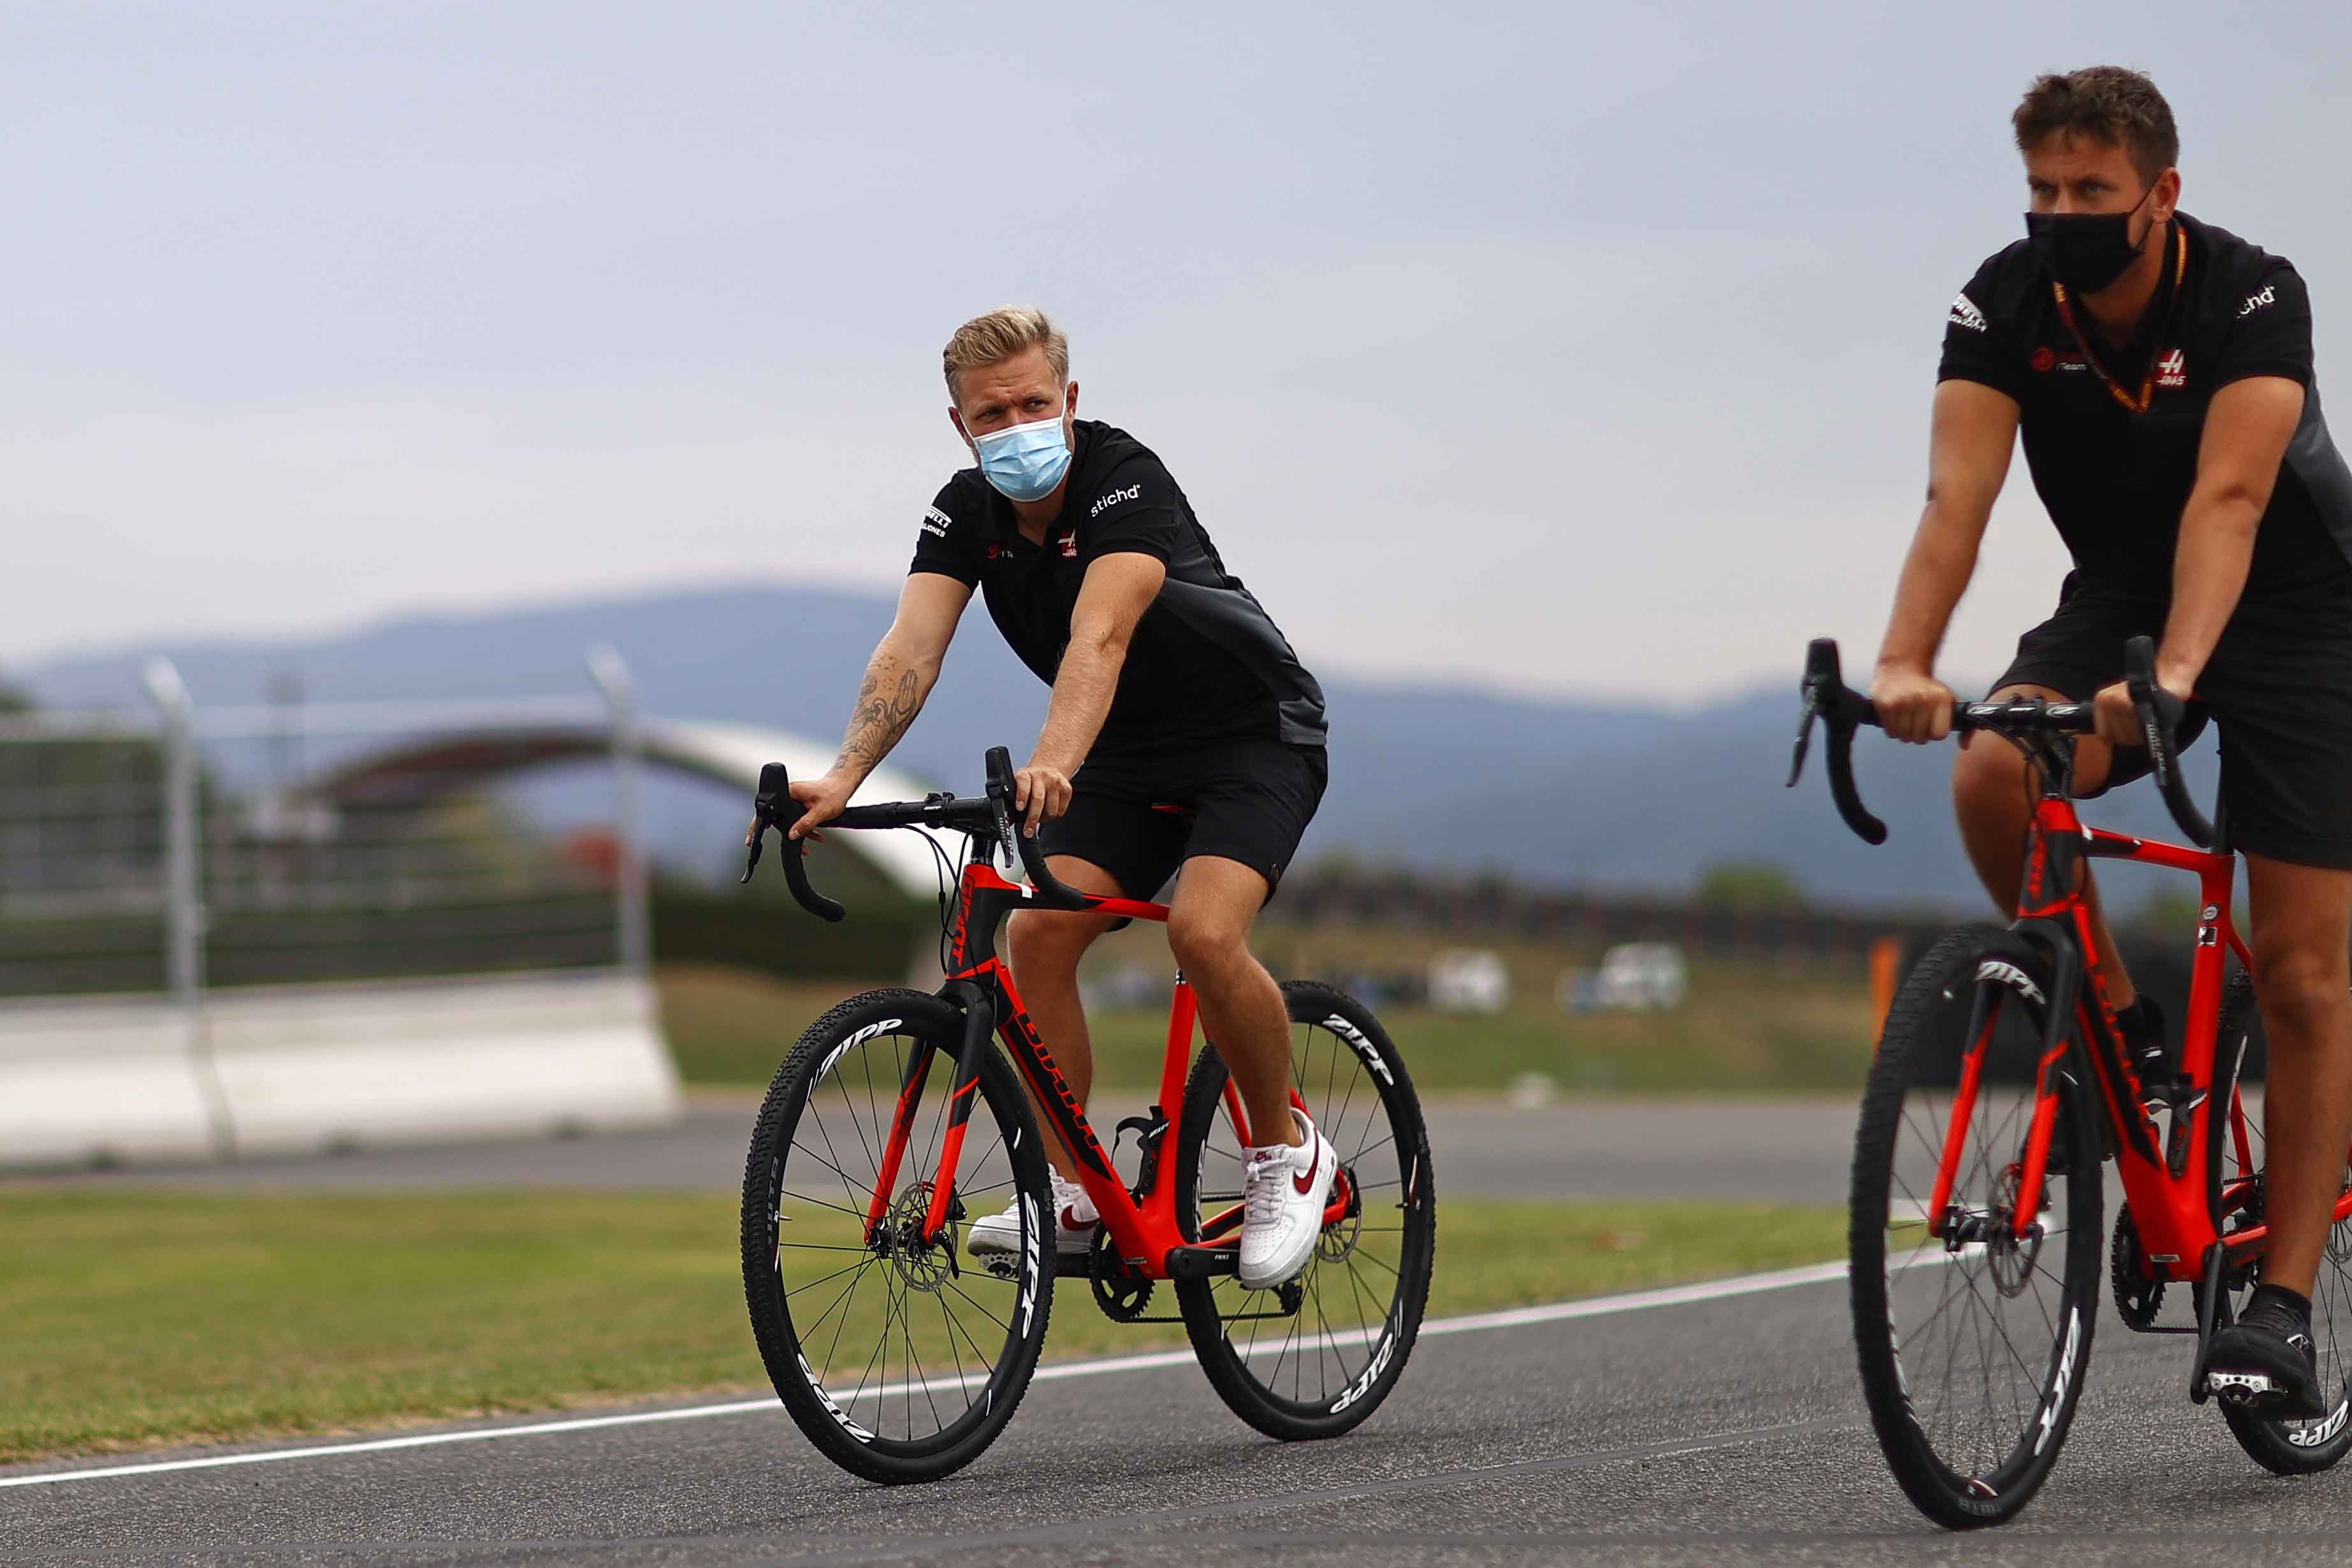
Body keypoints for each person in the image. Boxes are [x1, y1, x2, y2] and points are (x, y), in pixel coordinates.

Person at [1872, 66, 2352, 1416]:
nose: (2063, 214)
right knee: (1994, 768)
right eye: (2043, 190)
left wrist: (2183, 680)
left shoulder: (2253, 294)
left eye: (2092, 192)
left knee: (2305, 972)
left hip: (2298, 612)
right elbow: (1953, 499)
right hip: (2122, 606)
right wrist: (1907, 659)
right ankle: (2126, 1041)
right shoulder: (2006, 305)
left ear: (2162, 196)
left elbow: (2236, 497)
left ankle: (2285, 1305)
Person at [759, 306, 1335, 1289]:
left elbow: (1098, 638)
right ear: (960, 424)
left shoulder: (1125, 481)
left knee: (1201, 933)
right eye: (992, 413)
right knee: (1032, 940)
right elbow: (912, 647)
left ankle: (1287, 1156)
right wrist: (845, 778)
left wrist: (1052, 761)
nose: (1016, 424)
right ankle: (1075, 1194)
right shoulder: (963, 512)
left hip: (1249, 739)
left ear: (1068, 400)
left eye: (1033, 403)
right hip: (1121, 756)